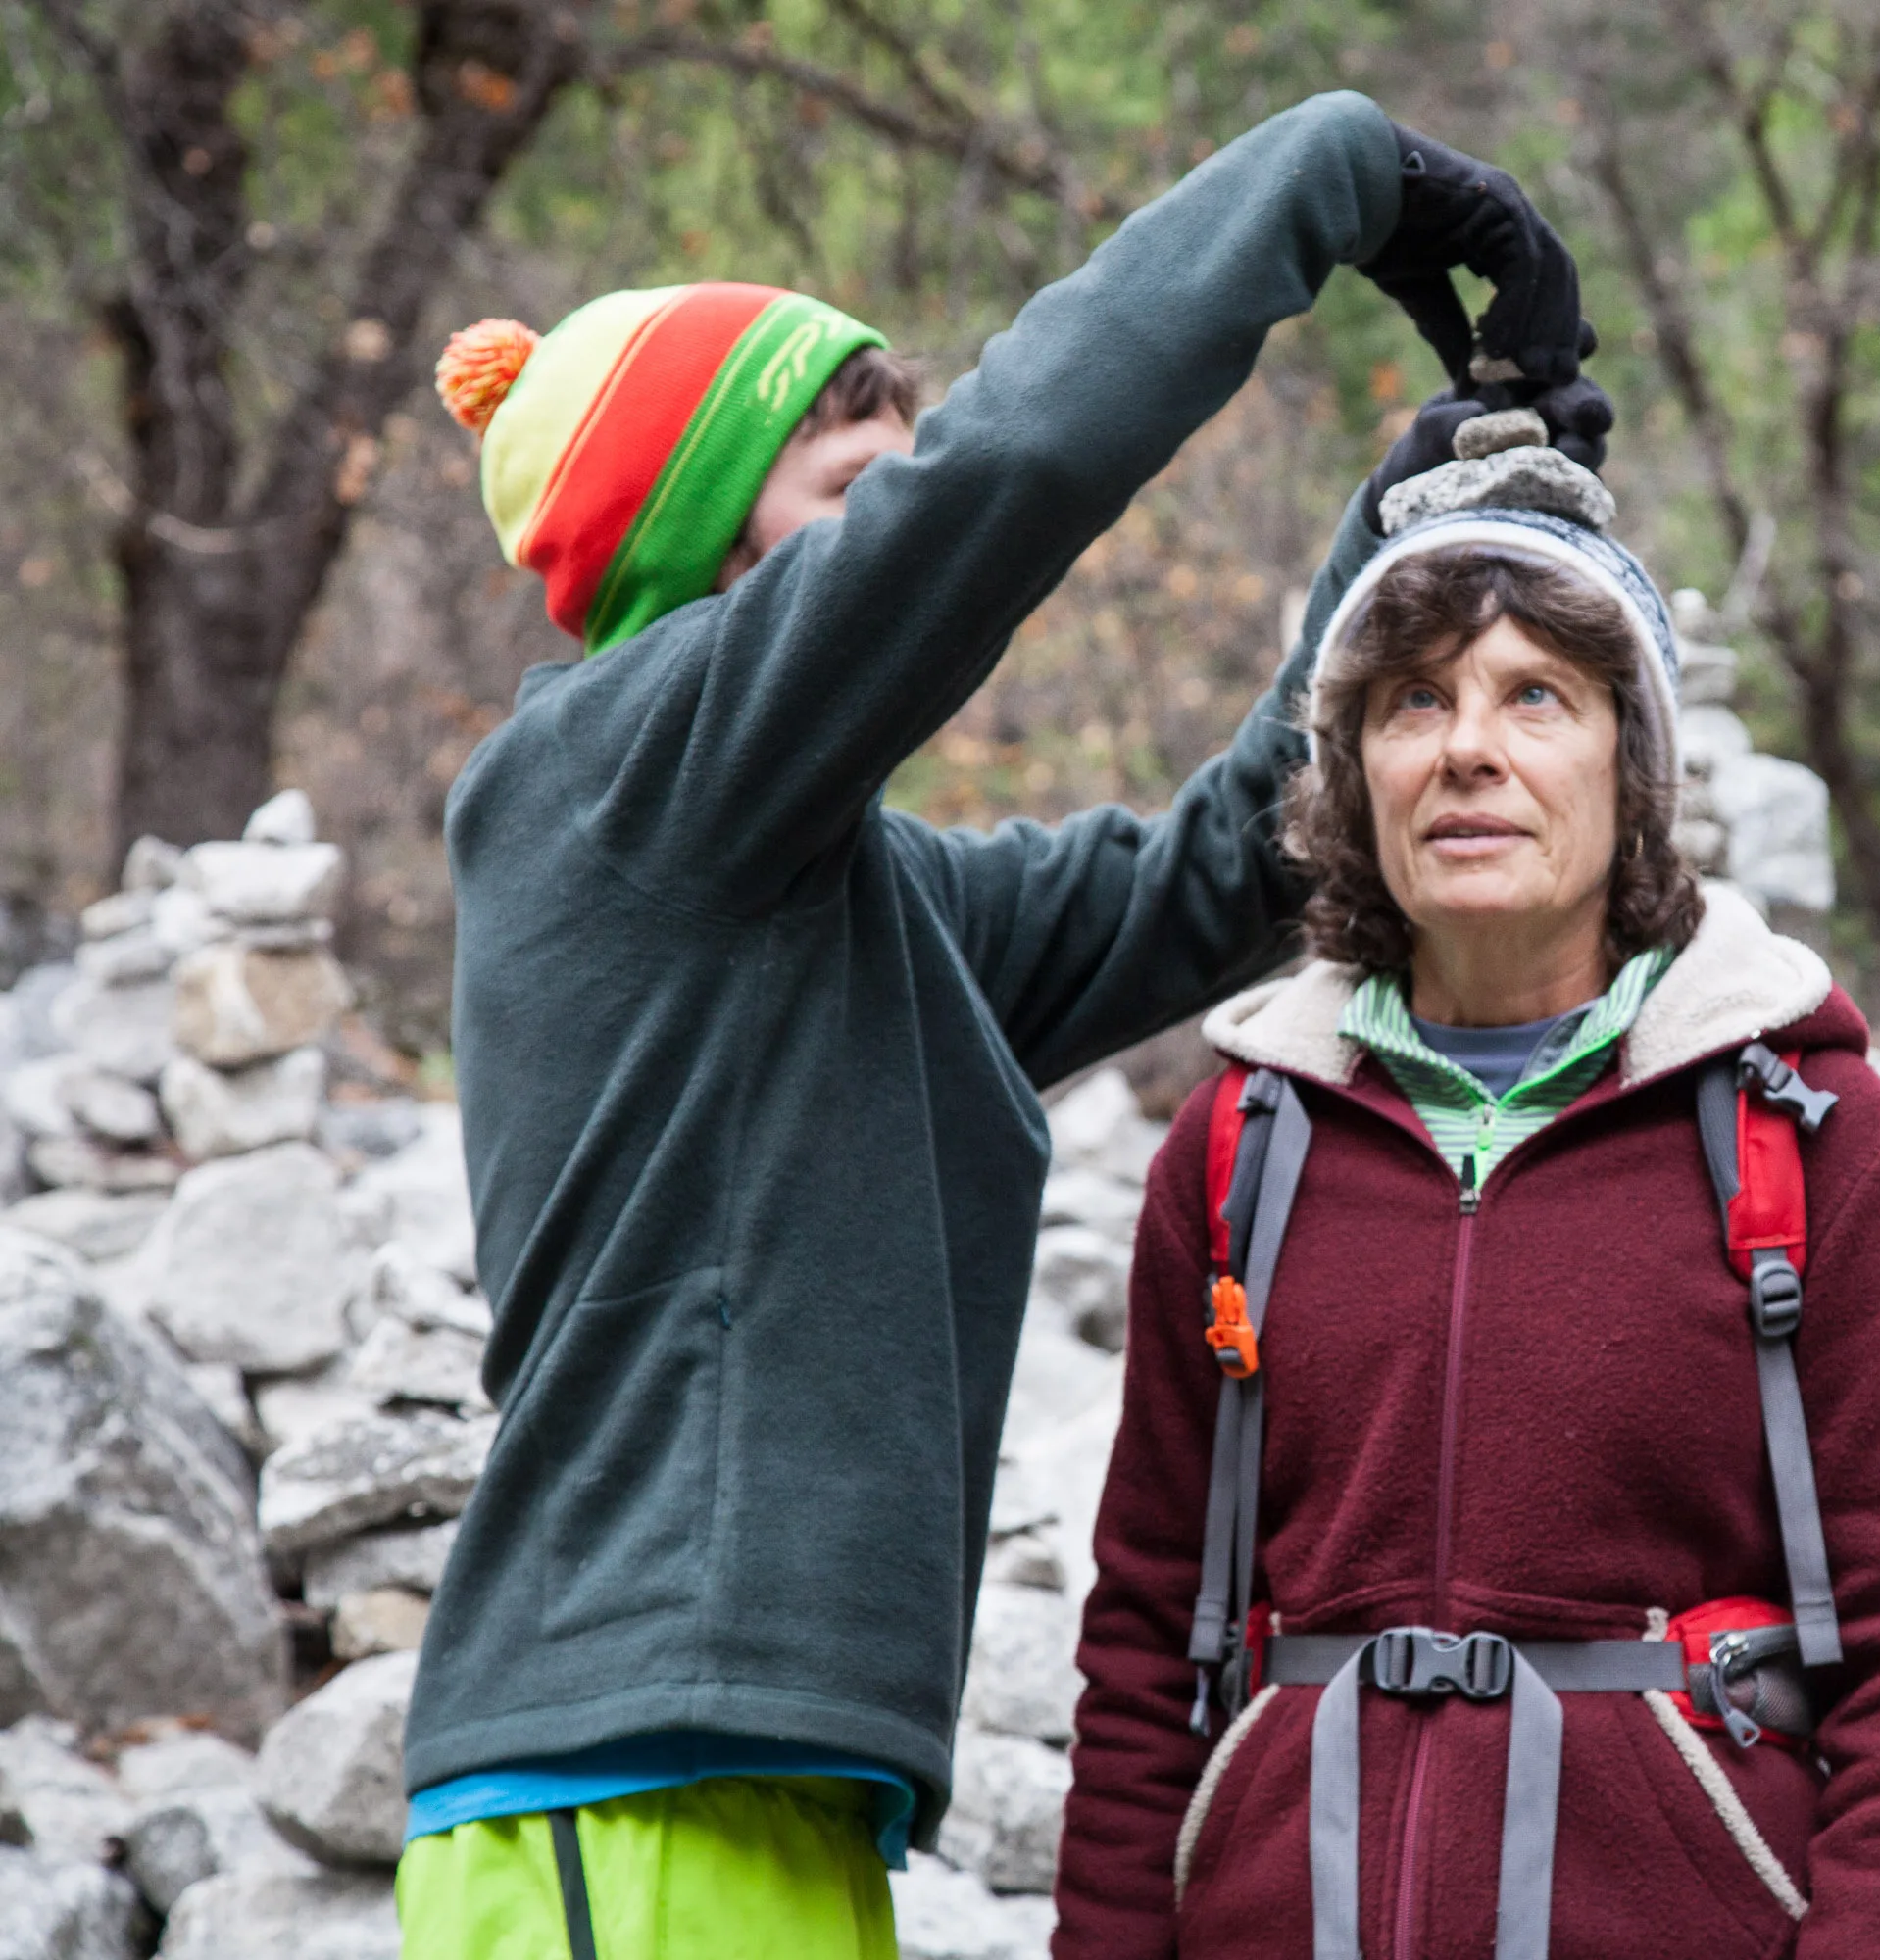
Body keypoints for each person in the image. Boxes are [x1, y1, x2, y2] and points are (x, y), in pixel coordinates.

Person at [395, 94, 1609, 1960]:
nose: (901, 525)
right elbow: (1013, 469)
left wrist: (1415, 514)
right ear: (703, 542)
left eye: (905, 466)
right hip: (615, 1796)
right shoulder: (608, 778)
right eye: (852, 495)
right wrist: (1336, 173)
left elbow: (1229, 869)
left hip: (752, 1794)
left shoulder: (844, 899)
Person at [1053, 446, 1880, 1958]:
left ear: (1633, 766)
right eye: (1413, 700)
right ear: (1353, 768)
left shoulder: (1810, 1132)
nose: (1466, 750)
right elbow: (1141, 1645)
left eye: (1535, 696)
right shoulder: (1240, 1140)